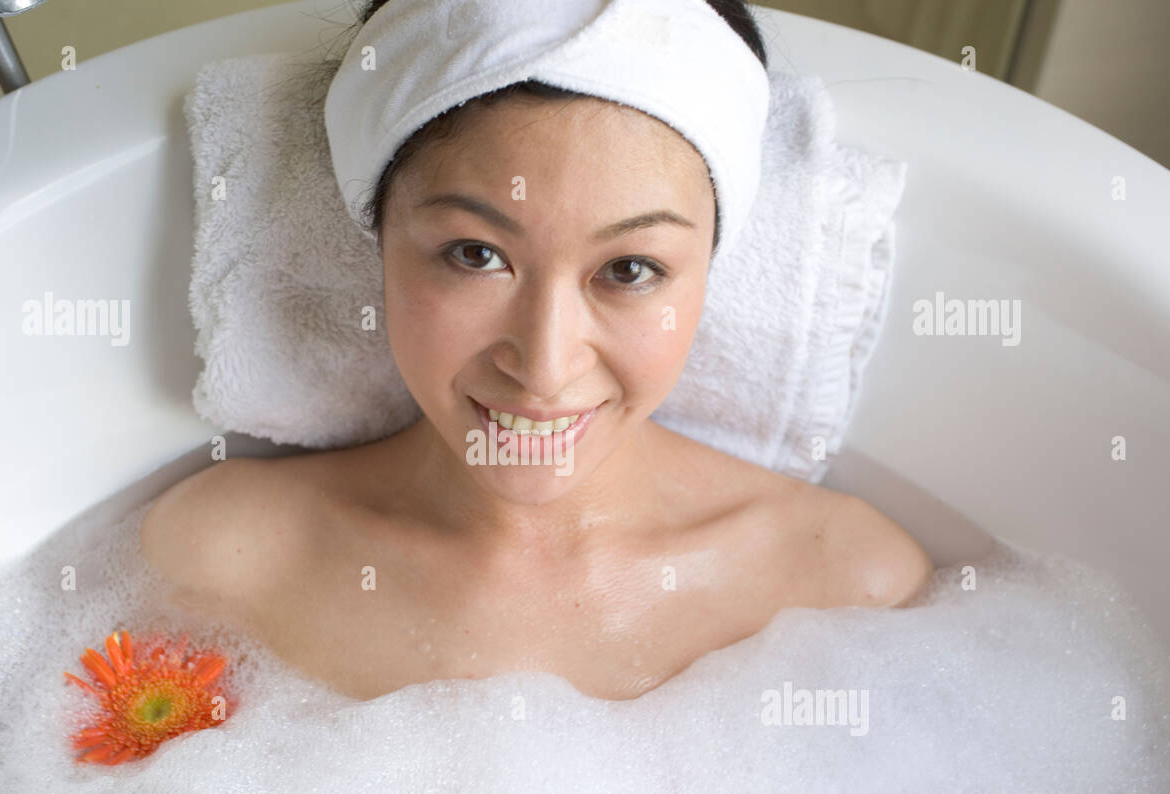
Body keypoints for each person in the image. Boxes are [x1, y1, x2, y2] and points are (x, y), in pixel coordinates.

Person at [141, 0, 933, 701]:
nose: (546, 365)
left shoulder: (847, 589)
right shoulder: (219, 561)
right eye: (476, 254)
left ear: (708, 274)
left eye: (630, 270)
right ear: (375, 239)